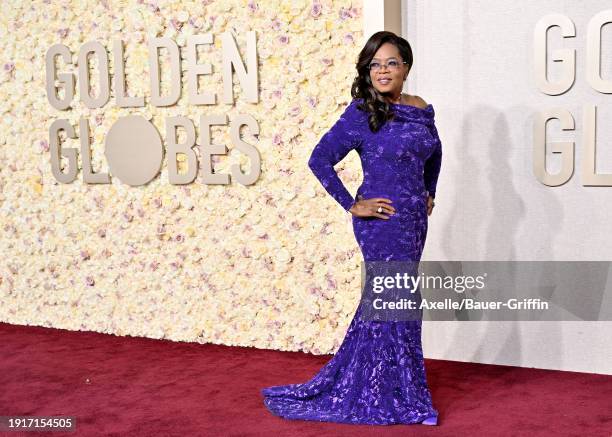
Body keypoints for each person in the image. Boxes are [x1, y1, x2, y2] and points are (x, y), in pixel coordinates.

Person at [261, 31, 442, 426]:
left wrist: (429, 191)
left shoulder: (420, 108)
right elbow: (319, 159)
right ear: (367, 70)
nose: (382, 71)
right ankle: (404, 400)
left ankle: (393, 389)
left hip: (413, 222)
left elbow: (435, 152)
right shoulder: (362, 112)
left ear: (406, 67)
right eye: (375, 64)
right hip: (382, 223)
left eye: (391, 63)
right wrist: (352, 205)